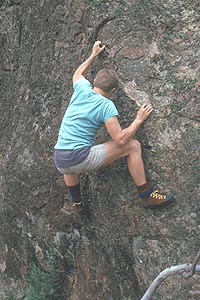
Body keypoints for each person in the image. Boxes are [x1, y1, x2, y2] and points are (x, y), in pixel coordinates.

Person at [54, 41, 174, 211]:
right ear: (113, 92)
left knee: (69, 162)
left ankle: (77, 203)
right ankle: (147, 195)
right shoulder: (106, 105)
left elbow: (78, 73)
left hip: (59, 158)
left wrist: (93, 55)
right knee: (133, 146)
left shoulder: (81, 88)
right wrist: (138, 120)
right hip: (79, 158)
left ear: (94, 81)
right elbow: (120, 140)